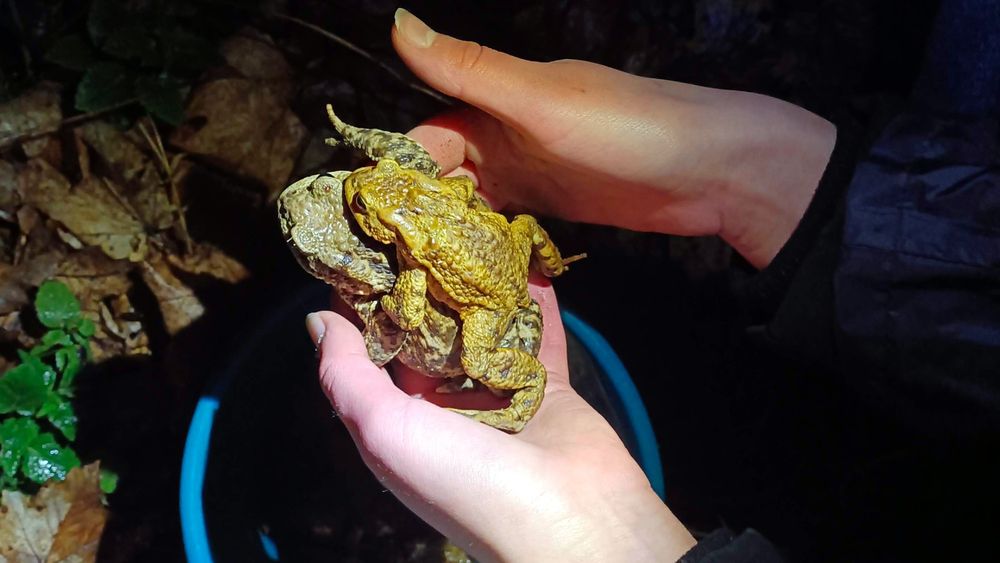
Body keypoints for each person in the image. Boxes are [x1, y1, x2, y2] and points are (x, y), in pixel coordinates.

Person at [305, 6, 1000, 562]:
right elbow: (436, 187)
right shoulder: (424, 200)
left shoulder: (414, 252)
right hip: (503, 237)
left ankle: (517, 393)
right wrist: (760, 176)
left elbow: (412, 296)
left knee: (487, 353)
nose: (366, 200)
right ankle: (551, 254)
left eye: (373, 204)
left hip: (485, 295)